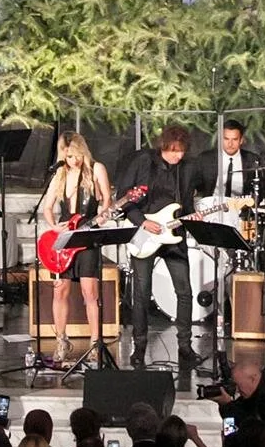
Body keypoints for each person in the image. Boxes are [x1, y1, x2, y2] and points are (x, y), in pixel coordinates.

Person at [120, 123, 207, 369]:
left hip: (174, 233)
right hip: (146, 232)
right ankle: (139, 347)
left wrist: (193, 217)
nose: (177, 156)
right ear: (162, 147)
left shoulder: (188, 168)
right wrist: (143, 222)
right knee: (141, 292)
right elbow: (125, 198)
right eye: (172, 151)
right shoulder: (142, 162)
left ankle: (185, 346)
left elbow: (187, 204)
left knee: (185, 291)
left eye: (181, 151)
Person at [39, 130, 113, 364]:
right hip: (64, 238)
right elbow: (47, 207)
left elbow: (106, 201)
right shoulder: (59, 174)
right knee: (60, 289)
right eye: (69, 156)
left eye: (77, 155)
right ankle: (61, 340)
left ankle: (94, 343)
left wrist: (102, 216)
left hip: (87, 235)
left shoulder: (96, 169)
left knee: (90, 293)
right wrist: (54, 226)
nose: (74, 160)